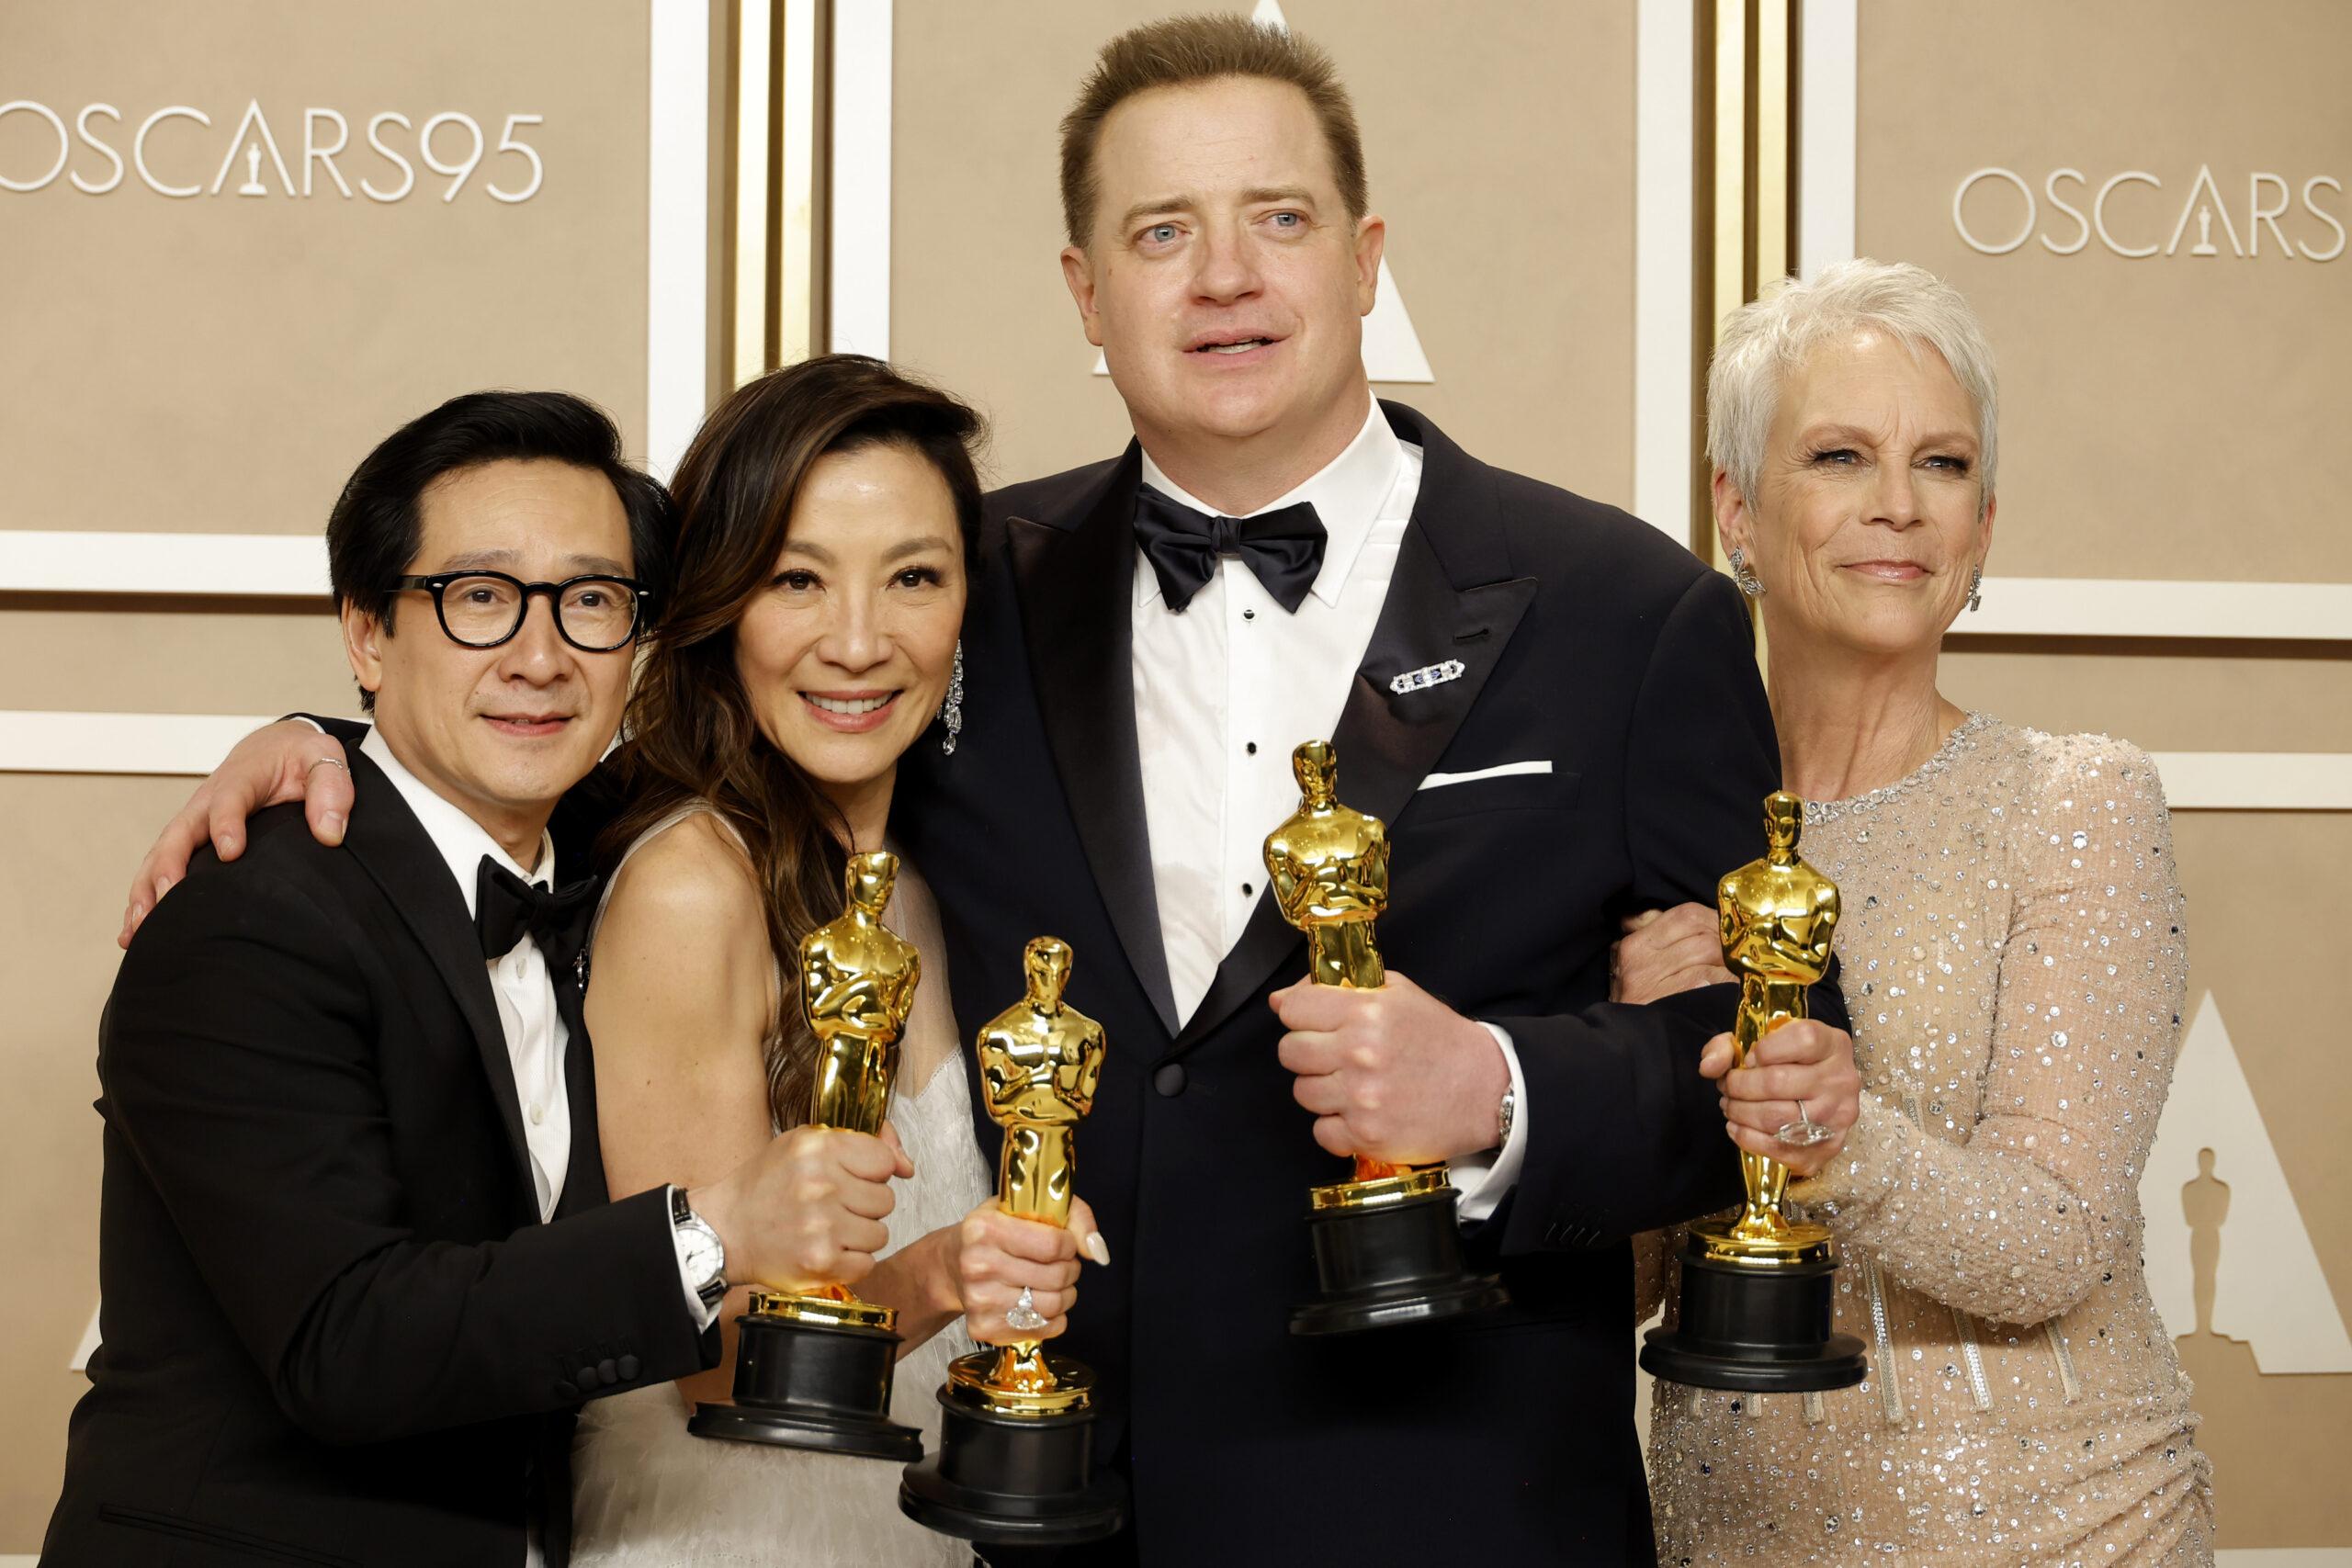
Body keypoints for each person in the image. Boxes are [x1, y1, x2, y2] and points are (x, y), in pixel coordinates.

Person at [116, 17, 1862, 1562]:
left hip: (1445, 1498)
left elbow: (1771, 1068)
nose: (1226, 278)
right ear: (1085, 292)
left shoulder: (1630, 613)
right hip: (1025, 1505)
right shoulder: (972, 581)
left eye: (1277, 219)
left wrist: (1493, 1082)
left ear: (1364, 255)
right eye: (1160, 234)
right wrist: (328, 749)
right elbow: (633, 759)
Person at [46, 393, 911, 1567]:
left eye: (592, 601)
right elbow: (344, 1345)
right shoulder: (249, 918)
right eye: (479, 597)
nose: (542, 656)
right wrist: (712, 1234)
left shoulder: (605, 854)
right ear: (366, 634)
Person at [1617, 259, 2214, 1562]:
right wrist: (1632, 1053)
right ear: (1738, 508)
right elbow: (1630, 1283)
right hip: (1730, 1532)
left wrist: (1831, 1126)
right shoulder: (1649, 837)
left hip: (2059, 1529)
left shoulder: (2074, 801)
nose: (1897, 506)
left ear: (1984, 523)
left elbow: (2054, 1245)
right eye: (1839, 455)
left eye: (1941, 465)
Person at [560, 355, 1096, 1563]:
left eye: (913, 575)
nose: (858, 640)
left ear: (967, 605)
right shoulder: (693, 882)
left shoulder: (933, 874)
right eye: (796, 578)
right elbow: (710, 1359)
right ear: (720, 605)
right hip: (726, 1536)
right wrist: (955, 1265)